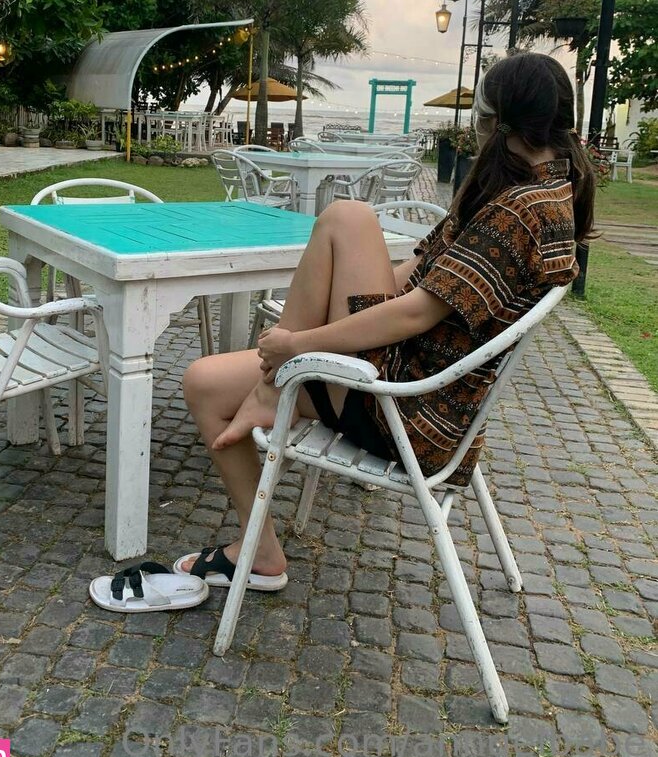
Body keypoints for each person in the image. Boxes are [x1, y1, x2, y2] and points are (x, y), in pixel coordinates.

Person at [169, 53, 595, 595]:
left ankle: (272, 391)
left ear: (497, 123)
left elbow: (416, 311)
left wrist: (297, 344)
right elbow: (411, 277)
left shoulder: (521, 210)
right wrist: (321, 310)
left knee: (347, 216)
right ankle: (261, 543)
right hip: (416, 394)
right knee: (205, 381)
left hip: (406, 410)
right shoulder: (540, 193)